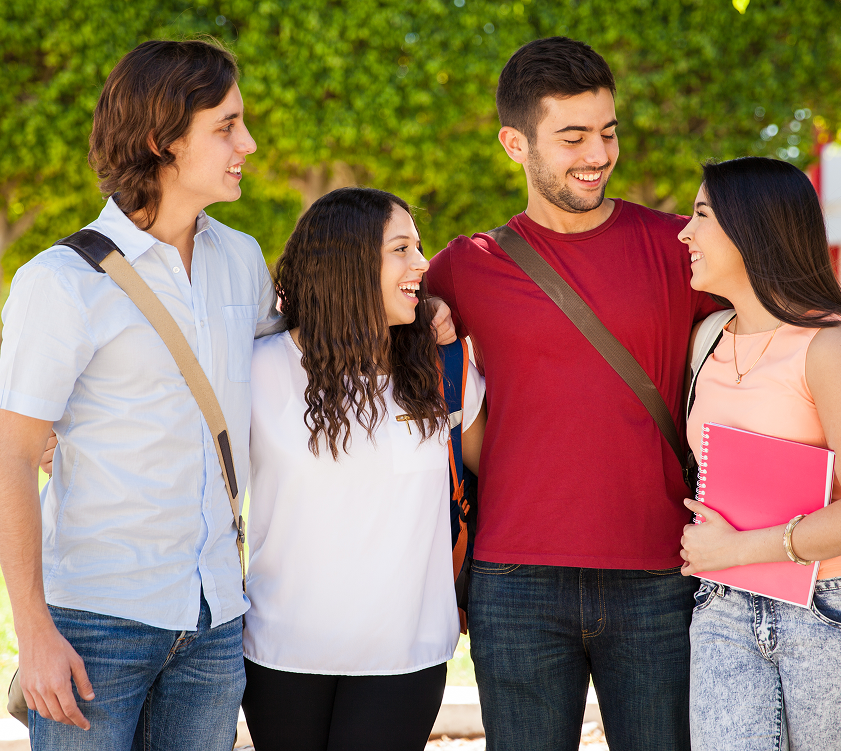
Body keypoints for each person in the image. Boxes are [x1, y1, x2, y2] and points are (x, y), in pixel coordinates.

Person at [425, 36, 718, 751]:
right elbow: (352, 335)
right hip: (514, 580)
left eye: (608, 131)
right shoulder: (465, 265)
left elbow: (779, 335)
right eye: (573, 135)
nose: (598, 153)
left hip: (659, 572)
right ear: (514, 143)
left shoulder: (680, 246)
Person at [0, 39, 278, 749]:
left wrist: (426, 311)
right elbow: (12, 456)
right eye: (225, 126)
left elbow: (302, 354)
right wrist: (33, 632)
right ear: (162, 139)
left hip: (216, 620)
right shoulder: (60, 282)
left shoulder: (242, 260)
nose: (247, 142)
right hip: (96, 625)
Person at [239, 187, 487, 751]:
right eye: (401, 249)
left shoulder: (443, 367)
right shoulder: (259, 369)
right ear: (348, 265)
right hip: (281, 651)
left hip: (407, 653)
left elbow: (503, 472)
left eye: (417, 247)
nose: (423, 265)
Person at [678, 156, 841, 751]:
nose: (684, 232)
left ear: (753, 229)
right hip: (720, 607)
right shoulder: (706, 339)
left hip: (824, 613)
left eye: (700, 215)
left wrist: (734, 549)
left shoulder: (828, 346)